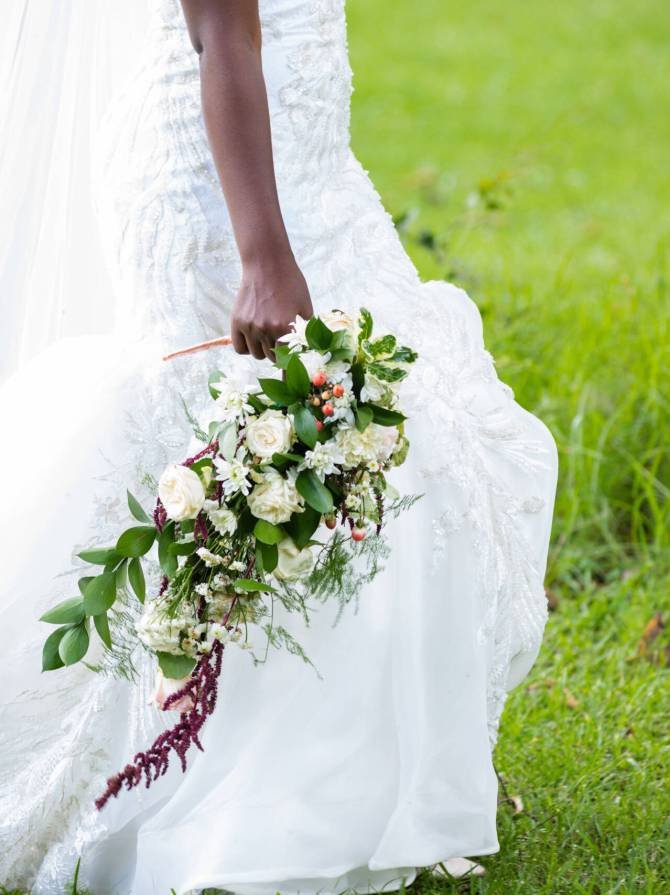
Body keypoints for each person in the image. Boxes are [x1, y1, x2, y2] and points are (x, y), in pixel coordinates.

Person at [0, 1, 558, 892]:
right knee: (260, 440)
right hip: (228, 180)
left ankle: (330, 773)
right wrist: (264, 257)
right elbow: (222, 29)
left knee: (386, 434)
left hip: (305, 154)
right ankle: (213, 787)